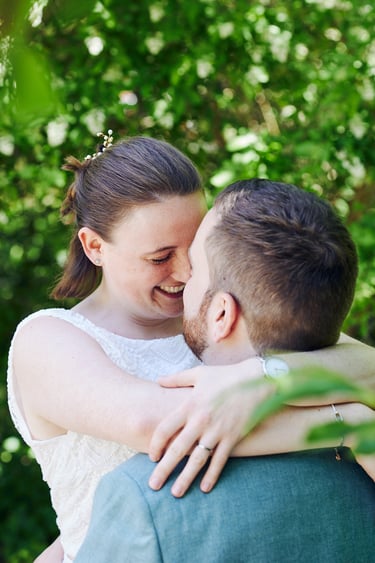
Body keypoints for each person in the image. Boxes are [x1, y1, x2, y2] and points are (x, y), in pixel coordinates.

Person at [7, 138, 375, 562]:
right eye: (160, 257)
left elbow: (363, 363)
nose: (185, 273)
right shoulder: (50, 339)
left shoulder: (215, 315)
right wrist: (343, 423)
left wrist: (263, 379)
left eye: (195, 248)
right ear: (94, 247)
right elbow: (162, 428)